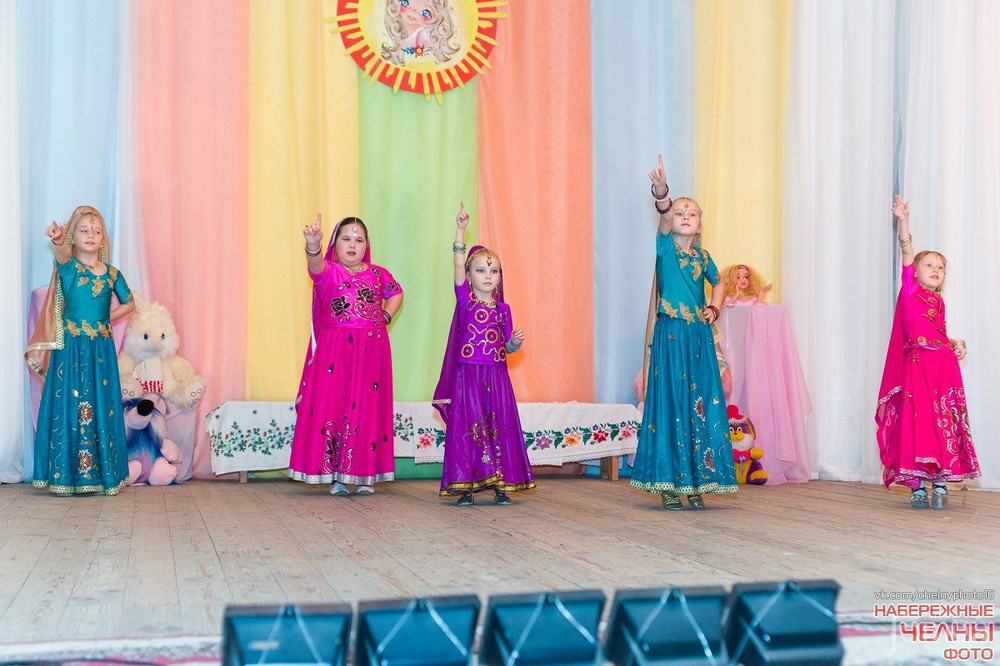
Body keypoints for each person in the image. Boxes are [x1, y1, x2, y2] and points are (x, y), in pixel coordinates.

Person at [632, 155, 737, 509]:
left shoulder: (704, 257)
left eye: (692, 212)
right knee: (671, 401)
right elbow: (662, 213)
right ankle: (669, 483)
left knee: (701, 404)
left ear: (700, 223)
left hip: (698, 336)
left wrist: (715, 308)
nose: (685, 215)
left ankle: (696, 481)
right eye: (679, 212)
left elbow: (719, 282)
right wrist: (663, 193)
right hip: (671, 335)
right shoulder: (665, 248)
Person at [875, 195, 980, 509]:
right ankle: (917, 485)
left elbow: (939, 333)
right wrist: (903, 222)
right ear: (915, 272)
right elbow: (906, 251)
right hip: (918, 367)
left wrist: (955, 345)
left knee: (942, 420)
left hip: (943, 367)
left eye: (942, 267)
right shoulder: (910, 292)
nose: (937, 270)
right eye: (930, 265)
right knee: (917, 420)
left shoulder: (939, 301)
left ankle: (942, 482)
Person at [288, 215, 403, 496]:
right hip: (334, 352)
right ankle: (338, 476)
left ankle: (365, 476)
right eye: (346, 239)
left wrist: (385, 315)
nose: (353, 244)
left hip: (371, 351)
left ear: (367, 245)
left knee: (366, 407)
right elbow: (314, 266)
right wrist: (312, 245)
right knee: (335, 407)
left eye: (359, 239)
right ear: (335, 244)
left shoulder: (379, 274)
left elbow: (396, 293)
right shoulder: (328, 271)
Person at [28, 206, 135, 495]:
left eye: (97, 231)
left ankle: (104, 475)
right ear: (74, 237)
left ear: (104, 239)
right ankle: (66, 477)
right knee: (69, 403)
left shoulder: (112, 274)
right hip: (71, 348)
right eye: (84, 230)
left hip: (100, 348)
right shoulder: (69, 266)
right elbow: (61, 254)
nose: (91, 234)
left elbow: (129, 303)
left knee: (102, 403)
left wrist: (104, 318)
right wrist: (59, 241)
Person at [433, 203, 535, 505]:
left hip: (497, 375)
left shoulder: (504, 309)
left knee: (499, 427)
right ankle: (466, 486)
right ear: (469, 275)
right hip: (468, 376)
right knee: (469, 429)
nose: (488, 275)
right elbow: (456, 263)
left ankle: (502, 484)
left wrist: (515, 343)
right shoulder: (464, 300)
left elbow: (508, 346)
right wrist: (461, 230)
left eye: (494, 270)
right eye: (480, 270)